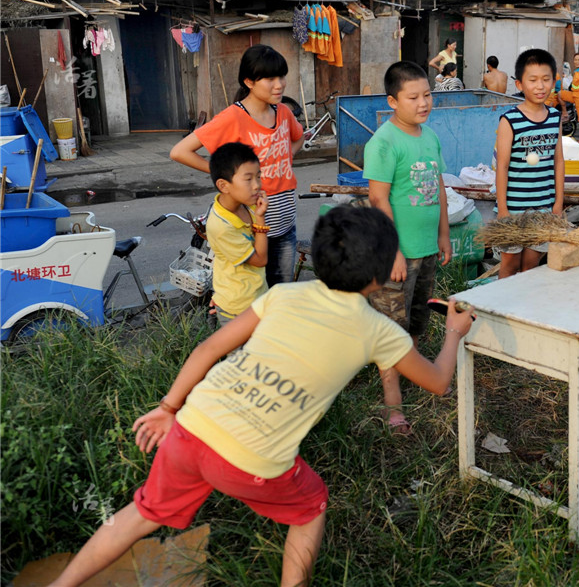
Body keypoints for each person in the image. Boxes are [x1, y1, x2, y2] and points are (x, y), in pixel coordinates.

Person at [47, 206, 475, 587]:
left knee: (139, 514)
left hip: (191, 427)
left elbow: (209, 348)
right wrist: (454, 333)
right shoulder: (381, 330)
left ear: (321, 256)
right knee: (311, 508)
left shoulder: (284, 294)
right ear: (382, 272)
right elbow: (438, 381)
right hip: (252, 460)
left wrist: (166, 408)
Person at [363, 61, 452, 434]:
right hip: (397, 255)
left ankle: (413, 372)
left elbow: (440, 189)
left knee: (416, 319)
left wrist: (443, 234)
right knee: (390, 330)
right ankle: (392, 404)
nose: (423, 103)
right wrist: (394, 251)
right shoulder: (383, 142)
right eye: (413, 97)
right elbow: (378, 200)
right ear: (392, 101)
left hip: (427, 249)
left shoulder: (428, 137)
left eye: (427, 95)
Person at [171, 44, 304, 287]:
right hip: (252, 229)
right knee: (254, 296)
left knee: (281, 294)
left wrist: (283, 158)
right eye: (270, 78)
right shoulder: (233, 117)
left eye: (282, 76)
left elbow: (299, 137)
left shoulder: (283, 112)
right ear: (250, 82)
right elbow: (180, 152)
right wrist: (229, 178)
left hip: (286, 225)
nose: (280, 84)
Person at [494, 48, 565, 279]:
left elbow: (558, 162)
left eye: (546, 79)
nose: (540, 86)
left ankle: (521, 313)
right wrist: (502, 209)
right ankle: (499, 310)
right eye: (532, 80)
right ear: (519, 84)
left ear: (554, 81)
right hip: (513, 209)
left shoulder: (555, 117)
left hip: (543, 208)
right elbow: (502, 167)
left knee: (530, 267)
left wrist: (558, 204)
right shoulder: (509, 120)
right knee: (510, 266)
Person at [206, 142, 269, 325]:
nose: (257, 185)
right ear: (224, 186)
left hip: (255, 296)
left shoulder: (245, 205)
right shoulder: (221, 226)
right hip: (238, 308)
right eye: (248, 179)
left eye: (258, 176)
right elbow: (260, 260)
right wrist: (261, 220)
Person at [558, 52, 579, 144]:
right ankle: (565, 113)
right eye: (575, 60)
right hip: (574, 95)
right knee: (560, 94)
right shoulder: (577, 70)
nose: (576, 62)